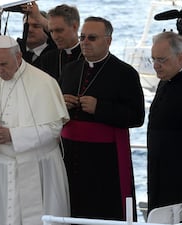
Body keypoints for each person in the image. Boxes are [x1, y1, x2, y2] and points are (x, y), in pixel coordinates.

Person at [0, 35, 70, 225]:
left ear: (19, 57)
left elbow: (55, 128)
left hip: (38, 165)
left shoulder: (44, 82)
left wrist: (12, 135)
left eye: (4, 64)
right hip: (2, 165)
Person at [60, 16, 145, 220]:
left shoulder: (125, 73)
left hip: (104, 161)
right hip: (68, 155)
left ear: (108, 41)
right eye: (82, 37)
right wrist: (61, 104)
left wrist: (100, 108)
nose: (85, 42)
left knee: (101, 211)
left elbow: (137, 117)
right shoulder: (70, 70)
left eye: (92, 38)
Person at [147, 31, 182, 213]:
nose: (156, 66)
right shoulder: (166, 80)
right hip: (159, 167)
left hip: (180, 172)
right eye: (153, 59)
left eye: (162, 60)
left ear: (180, 57)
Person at [0, 1, 56, 67]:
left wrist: (38, 17)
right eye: (27, 25)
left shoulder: (56, 50)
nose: (30, 30)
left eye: (36, 26)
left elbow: (58, 35)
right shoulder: (16, 48)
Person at [38, 4, 82, 81]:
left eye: (59, 30)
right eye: (51, 31)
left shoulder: (89, 57)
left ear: (75, 27)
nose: (55, 37)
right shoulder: (47, 58)